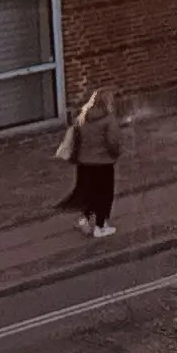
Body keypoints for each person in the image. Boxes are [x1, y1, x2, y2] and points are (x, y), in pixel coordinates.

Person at [55, 87, 124, 239]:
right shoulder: (108, 120)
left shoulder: (82, 117)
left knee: (91, 193)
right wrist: (116, 153)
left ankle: (84, 219)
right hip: (103, 163)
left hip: (84, 163)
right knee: (105, 194)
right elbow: (113, 142)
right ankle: (100, 227)